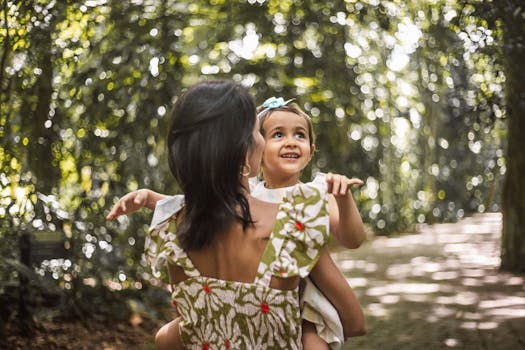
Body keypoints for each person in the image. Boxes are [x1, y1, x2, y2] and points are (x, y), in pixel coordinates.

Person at [108, 93, 367, 349]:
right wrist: (153, 198)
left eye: (300, 135)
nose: (290, 142)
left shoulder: (174, 230)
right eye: (272, 134)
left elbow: (353, 238)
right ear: (248, 150)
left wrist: (343, 200)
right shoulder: (286, 220)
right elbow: (355, 323)